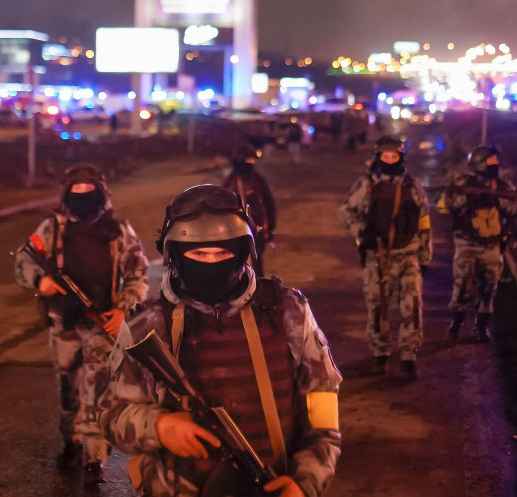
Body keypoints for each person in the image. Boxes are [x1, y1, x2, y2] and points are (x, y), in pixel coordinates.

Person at [99, 185, 342, 497]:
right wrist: (159, 426)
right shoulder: (147, 325)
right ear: (175, 255)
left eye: (223, 253)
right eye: (198, 253)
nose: (211, 262)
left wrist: (304, 482)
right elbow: (111, 414)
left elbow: (322, 409)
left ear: (243, 253)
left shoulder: (287, 311)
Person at [13, 164, 149, 486]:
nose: (84, 200)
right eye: (77, 194)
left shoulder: (118, 230)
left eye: (91, 193)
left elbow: (138, 274)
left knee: (97, 391)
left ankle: (94, 457)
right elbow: (23, 263)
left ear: (102, 194)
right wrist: (40, 280)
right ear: (65, 195)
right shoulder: (52, 229)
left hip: (102, 323)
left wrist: (122, 311)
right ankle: (71, 442)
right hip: (65, 323)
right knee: (68, 392)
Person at [338, 135, 432, 378]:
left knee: (412, 306)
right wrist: (362, 233)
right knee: (377, 307)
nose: (390, 160)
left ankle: (409, 355)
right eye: (385, 156)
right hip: (377, 257)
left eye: (394, 156)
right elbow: (347, 213)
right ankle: (381, 354)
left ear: (401, 157)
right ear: (378, 157)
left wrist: (425, 255)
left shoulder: (412, 185)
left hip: (408, 255)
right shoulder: (366, 184)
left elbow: (423, 221)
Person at [437, 145, 517, 342]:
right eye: (490, 161)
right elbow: (443, 204)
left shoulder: (503, 187)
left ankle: (481, 327)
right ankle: (456, 324)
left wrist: (499, 201)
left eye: (495, 161)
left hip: (492, 245)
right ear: (478, 163)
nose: (495, 164)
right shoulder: (463, 182)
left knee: (489, 287)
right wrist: (466, 198)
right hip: (467, 244)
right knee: (463, 286)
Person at [221, 143, 277, 276]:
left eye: (252, 160)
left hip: (256, 228)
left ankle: (258, 291)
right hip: (233, 229)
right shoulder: (231, 180)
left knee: (256, 264)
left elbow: (270, 204)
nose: (250, 163)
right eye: (248, 160)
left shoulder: (258, 180)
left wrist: (270, 230)